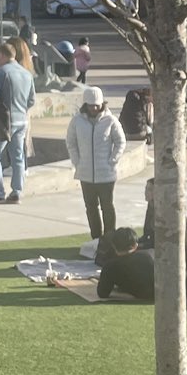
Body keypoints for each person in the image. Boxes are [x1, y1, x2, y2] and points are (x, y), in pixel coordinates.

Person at [66, 86, 127, 241]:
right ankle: (96, 239)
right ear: (85, 104)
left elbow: (121, 142)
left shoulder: (111, 120)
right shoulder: (77, 121)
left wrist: (112, 160)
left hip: (106, 174)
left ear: (102, 104)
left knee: (107, 206)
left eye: (97, 105)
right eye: (91, 105)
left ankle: (110, 237)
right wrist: (77, 162)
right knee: (91, 207)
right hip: (85, 174)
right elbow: (71, 142)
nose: (94, 108)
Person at [0, 44, 36, 205]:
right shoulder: (27, 74)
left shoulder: (0, 72)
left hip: (3, 121)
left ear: (1, 55)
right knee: (18, 157)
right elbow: (31, 100)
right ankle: (17, 191)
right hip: (21, 120)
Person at [94, 227, 155, 302]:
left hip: (141, 294)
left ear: (113, 246)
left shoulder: (110, 267)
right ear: (135, 245)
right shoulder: (149, 256)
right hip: (156, 293)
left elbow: (102, 293)